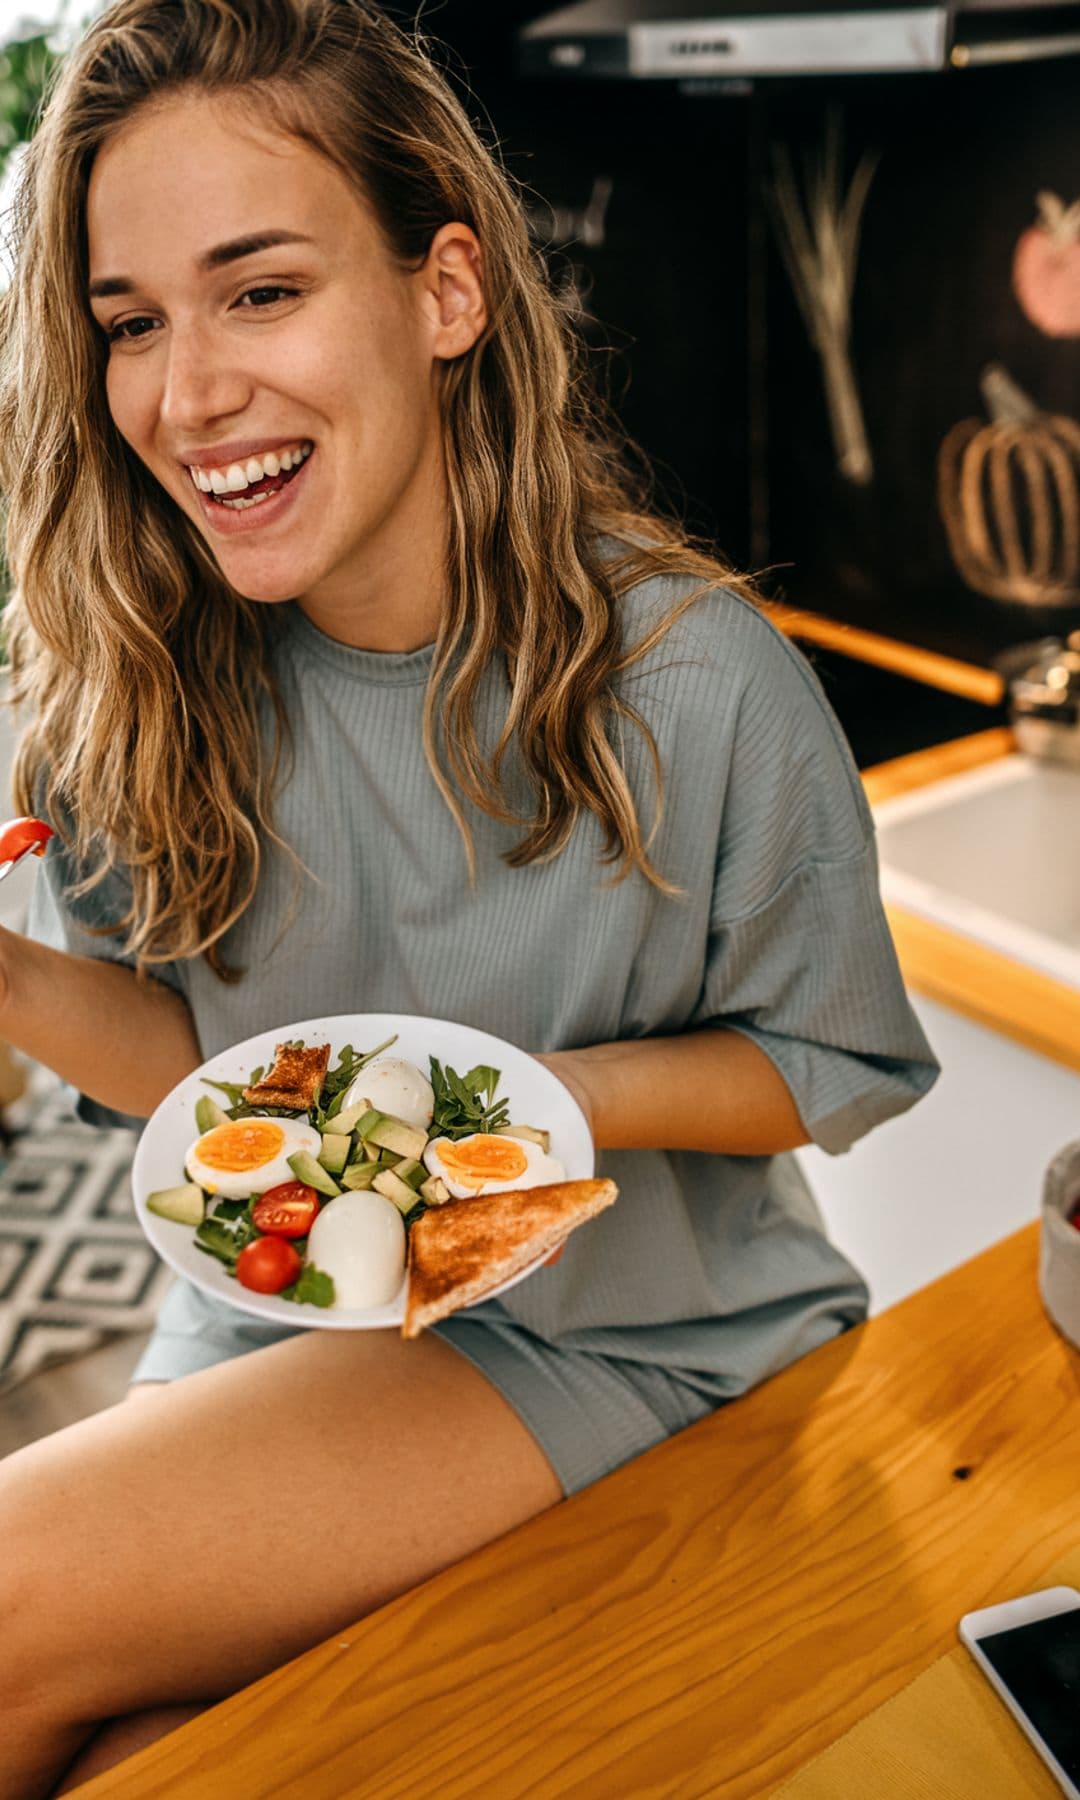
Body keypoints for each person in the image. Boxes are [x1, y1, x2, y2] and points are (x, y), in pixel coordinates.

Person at [0, 1, 939, 1791]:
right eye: (131, 323)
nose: (187, 394)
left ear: (446, 293)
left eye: (260, 290)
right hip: (270, 1316)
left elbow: (832, 1063)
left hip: (629, 1335)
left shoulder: (696, 682)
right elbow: (203, 1080)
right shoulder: (130, 670)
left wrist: (521, 1106)